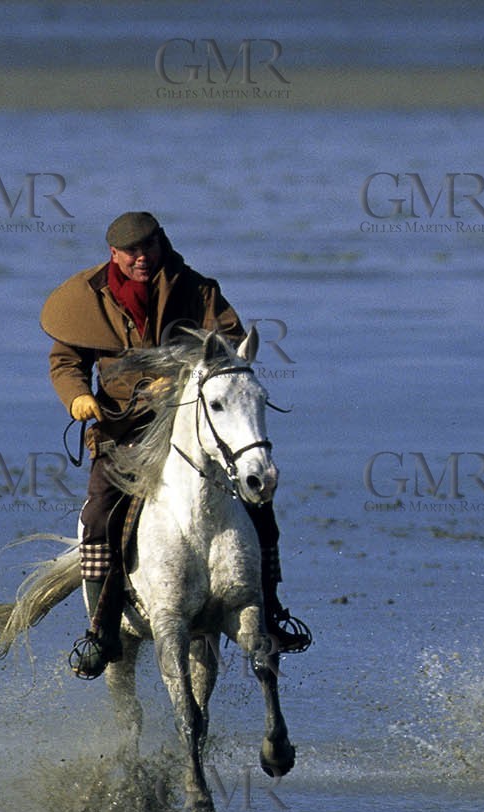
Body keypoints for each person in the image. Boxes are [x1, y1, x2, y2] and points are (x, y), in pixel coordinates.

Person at [41, 210, 310, 679]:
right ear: (114, 255)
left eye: (149, 247)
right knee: (99, 513)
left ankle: (271, 612)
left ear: (162, 243)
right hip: (121, 429)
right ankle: (101, 629)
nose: (141, 258)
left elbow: (227, 346)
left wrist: (185, 377)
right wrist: (78, 397)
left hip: (187, 422)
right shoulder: (85, 300)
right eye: (131, 252)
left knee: (259, 503)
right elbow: (66, 359)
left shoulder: (198, 289)